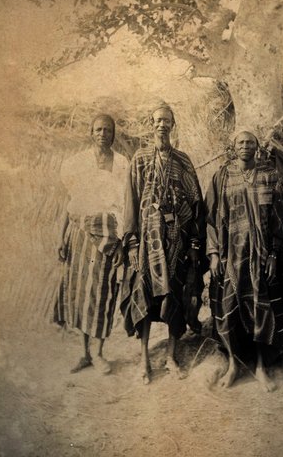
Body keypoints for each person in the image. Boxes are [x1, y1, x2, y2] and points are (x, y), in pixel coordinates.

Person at [205, 128, 283, 390]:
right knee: (228, 312)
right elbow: (210, 220)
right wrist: (214, 254)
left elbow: (281, 220)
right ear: (233, 147)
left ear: (257, 147)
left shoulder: (270, 176)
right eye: (241, 142)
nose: (246, 146)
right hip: (230, 257)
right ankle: (233, 365)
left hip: (260, 258)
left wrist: (273, 255)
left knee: (263, 312)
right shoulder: (222, 176)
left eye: (251, 142)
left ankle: (261, 368)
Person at [120, 104, 205, 384]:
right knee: (143, 294)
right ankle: (144, 360)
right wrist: (132, 244)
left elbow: (196, 205)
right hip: (146, 243)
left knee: (177, 297)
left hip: (176, 243)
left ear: (173, 124)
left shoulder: (183, 160)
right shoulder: (140, 159)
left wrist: (194, 243)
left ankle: (171, 355)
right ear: (150, 123)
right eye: (157, 121)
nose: (161, 126)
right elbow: (130, 204)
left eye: (167, 121)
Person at [54, 114, 128, 374]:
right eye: (98, 129)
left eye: (108, 129)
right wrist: (62, 237)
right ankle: (84, 353)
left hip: (108, 237)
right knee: (80, 294)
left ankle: (98, 354)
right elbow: (72, 204)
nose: (102, 134)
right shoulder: (78, 163)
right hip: (80, 236)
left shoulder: (121, 164)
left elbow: (124, 208)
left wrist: (120, 244)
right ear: (91, 132)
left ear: (113, 134)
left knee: (102, 293)